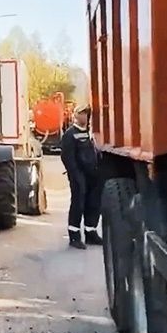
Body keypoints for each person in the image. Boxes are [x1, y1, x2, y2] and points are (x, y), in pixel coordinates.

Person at [60, 104, 102, 249]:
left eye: (86, 113)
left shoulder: (90, 133)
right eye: (81, 113)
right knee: (78, 203)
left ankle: (91, 233)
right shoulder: (70, 134)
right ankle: (74, 236)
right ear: (76, 115)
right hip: (78, 175)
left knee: (93, 203)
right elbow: (67, 157)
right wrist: (75, 175)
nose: (84, 116)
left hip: (92, 175)